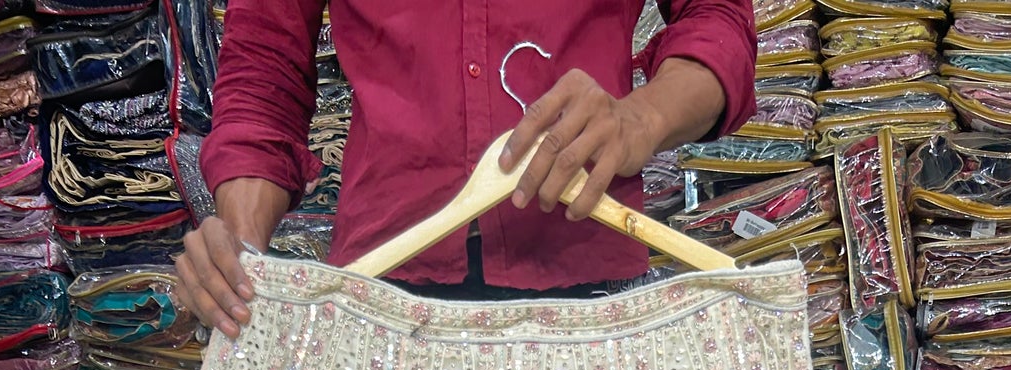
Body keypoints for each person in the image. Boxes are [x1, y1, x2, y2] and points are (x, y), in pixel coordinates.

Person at [176, 0, 758, 331]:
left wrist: (643, 119)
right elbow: (266, 63)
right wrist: (242, 248)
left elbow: (718, 19)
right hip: (379, 298)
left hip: (593, 287)